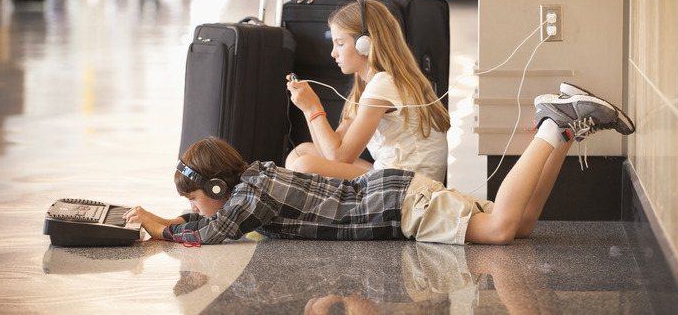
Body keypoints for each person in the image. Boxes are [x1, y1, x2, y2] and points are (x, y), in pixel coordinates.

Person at [124, 84, 635, 246]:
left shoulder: (249, 198)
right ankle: (566, 128)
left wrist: (163, 229)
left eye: (193, 198)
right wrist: (172, 219)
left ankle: (552, 123)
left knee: (501, 229)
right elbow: (212, 218)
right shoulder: (252, 177)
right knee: (520, 226)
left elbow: (211, 235)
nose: (195, 207)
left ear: (218, 185)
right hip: (398, 191)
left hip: (399, 207)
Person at [285, 0, 450, 183]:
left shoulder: (384, 84)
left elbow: (339, 156)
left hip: (407, 186)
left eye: (340, 44)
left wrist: (312, 108)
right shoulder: (371, 84)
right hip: (392, 174)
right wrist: (306, 107)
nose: (333, 53)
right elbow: (328, 149)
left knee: (303, 166)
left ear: (365, 44)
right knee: (301, 153)